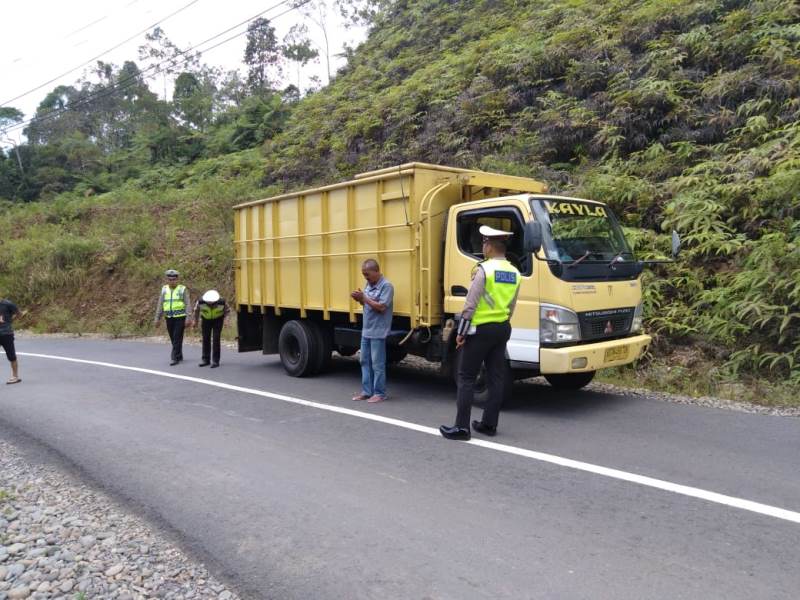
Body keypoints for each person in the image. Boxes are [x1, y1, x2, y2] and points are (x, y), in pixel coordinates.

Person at [440, 225, 521, 440]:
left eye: (484, 243)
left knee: (466, 377)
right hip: (503, 327)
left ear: (489, 246)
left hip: (480, 329)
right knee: (496, 378)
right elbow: (512, 305)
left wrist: (461, 332)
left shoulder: (483, 270)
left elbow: (470, 304)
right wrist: (502, 323)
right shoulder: (515, 272)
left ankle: (461, 428)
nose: (482, 247)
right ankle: (489, 424)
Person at [350, 259, 394, 403]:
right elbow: (367, 303)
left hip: (378, 331)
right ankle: (367, 391)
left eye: (367, 274)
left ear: (376, 271)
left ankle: (380, 393)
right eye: (363, 275)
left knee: (377, 363)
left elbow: (381, 307)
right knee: (364, 361)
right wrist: (359, 299)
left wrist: (364, 298)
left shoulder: (386, 286)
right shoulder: (369, 285)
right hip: (366, 330)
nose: (365, 277)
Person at [154, 269, 192, 366]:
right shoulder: (164, 289)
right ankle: (179, 355)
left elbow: (188, 304)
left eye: (174, 279)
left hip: (180, 317)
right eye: (170, 279)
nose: (172, 281)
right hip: (169, 317)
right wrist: (157, 318)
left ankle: (174, 357)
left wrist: (188, 318)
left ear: (177, 279)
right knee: (173, 337)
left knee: (176, 337)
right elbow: (160, 304)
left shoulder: (182, 289)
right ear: (167, 280)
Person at [192, 289, 229, 368]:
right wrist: (195, 321)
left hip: (218, 320)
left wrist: (226, 320)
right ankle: (205, 360)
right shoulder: (200, 302)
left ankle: (215, 361)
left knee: (216, 339)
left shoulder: (222, 302)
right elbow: (196, 311)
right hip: (206, 320)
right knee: (205, 338)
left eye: (211, 302)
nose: (209, 303)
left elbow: (227, 311)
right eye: (208, 301)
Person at [0, 296, 21, 384]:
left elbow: (19, 313)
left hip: (6, 333)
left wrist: (9, 321)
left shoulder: (7, 303)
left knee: (11, 356)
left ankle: (15, 376)